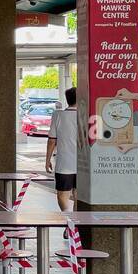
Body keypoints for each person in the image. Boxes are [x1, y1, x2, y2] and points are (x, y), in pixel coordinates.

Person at [45, 87, 77, 215]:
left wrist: (47, 160)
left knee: (62, 196)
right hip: (84, 164)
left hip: (64, 163)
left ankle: (69, 220)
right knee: (79, 196)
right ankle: (75, 223)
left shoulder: (58, 115)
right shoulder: (87, 116)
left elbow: (52, 140)